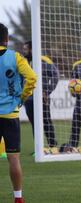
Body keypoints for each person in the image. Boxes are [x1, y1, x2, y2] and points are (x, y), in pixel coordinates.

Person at [0, 23, 37, 203]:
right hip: (10, 114)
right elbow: (32, 78)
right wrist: (22, 97)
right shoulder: (15, 57)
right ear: (6, 39)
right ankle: (18, 198)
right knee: (13, 159)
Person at [23, 41, 59, 149]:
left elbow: (55, 76)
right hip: (28, 99)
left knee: (46, 121)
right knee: (34, 123)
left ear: (32, 49)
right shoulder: (22, 62)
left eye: (25, 49)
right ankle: (38, 148)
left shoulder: (44, 61)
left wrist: (47, 91)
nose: (24, 51)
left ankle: (52, 146)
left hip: (42, 98)